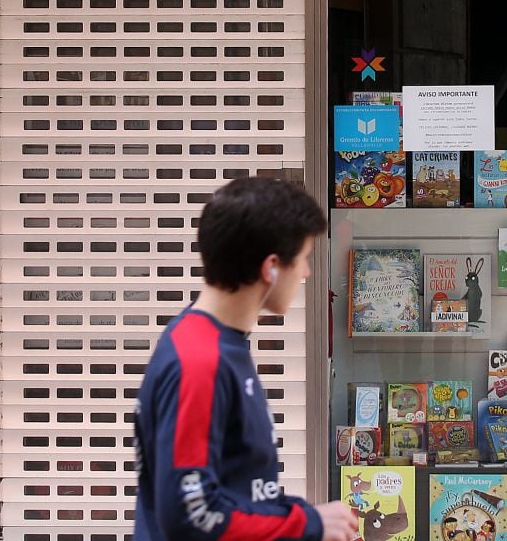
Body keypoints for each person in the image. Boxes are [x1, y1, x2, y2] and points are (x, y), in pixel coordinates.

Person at [134, 177, 357, 541]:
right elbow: (192, 513)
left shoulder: (214, 343)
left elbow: (238, 488)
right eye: (302, 260)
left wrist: (301, 515)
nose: (306, 273)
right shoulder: (200, 359)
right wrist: (306, 524)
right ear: (270, 267)